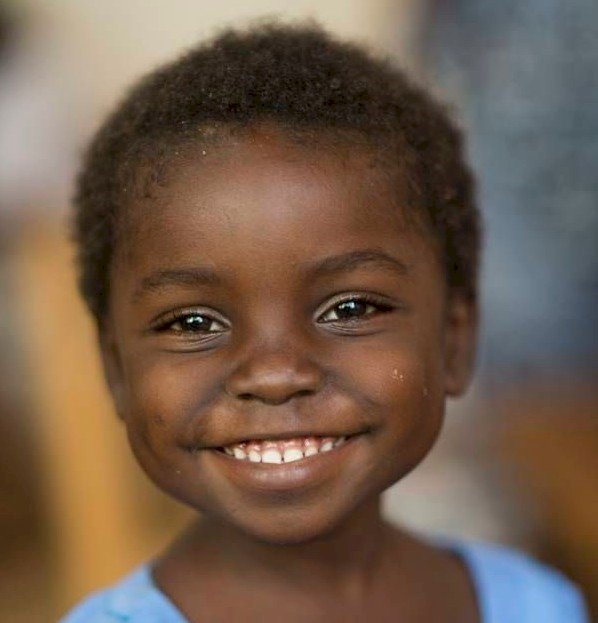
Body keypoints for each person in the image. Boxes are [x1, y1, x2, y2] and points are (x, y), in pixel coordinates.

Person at [61, 22, 589, 623]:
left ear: (454, 339)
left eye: (351, 309)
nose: (276, 374)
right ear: (114, 368)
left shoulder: (538, 604)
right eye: (192, 322)